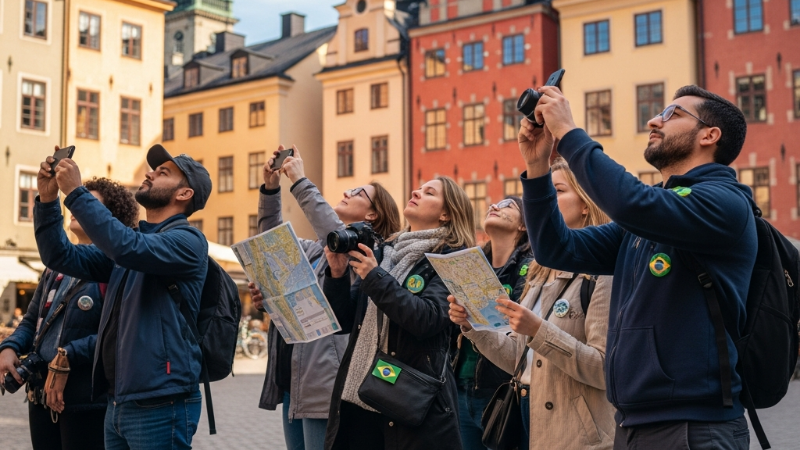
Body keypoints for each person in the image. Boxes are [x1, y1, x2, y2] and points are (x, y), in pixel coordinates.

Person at [518, 85, 755, 449]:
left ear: (710, 135)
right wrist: (536, 168)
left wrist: (567, 133)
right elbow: (555, 248)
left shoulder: (724, 202)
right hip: (632, 423)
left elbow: (630, 203)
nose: (653, 120)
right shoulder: (652, 215)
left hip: (693, 425)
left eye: (672, 115)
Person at [33, 144, 212, 449]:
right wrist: (49, 199)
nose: (149, 174)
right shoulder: (134, 244)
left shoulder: (188, 240)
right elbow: (59, 254)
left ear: (184, 194)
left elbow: (126, 247)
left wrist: (76, 193)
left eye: (163, 172)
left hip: (160, 400)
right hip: (118, 402)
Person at [449, 158, 616, 449]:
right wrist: (472, 326)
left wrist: (539, 331)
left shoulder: (603, 271)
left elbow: (604, 370)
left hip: (575, 430)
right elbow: (517, 357)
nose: (544, 201)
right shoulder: (539, 271)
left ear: (586, 204)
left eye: (558, 191)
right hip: (528, 415)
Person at [250, 145, 401, 450]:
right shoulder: (316, 250)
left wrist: (300, 181)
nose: (347, 191)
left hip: (326, 382)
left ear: (372, 214)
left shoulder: (369, 252)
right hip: (295, 380)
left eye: (358, 192)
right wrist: (270, 188)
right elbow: (271, 241)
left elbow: (333, 231)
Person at [322, 176, 475, 450]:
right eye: (418, 188)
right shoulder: (385, 253)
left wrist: (374, 276)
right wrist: (336, 274)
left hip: (408, 404)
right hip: (358, 397)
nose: (416, 191)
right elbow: (343, 321)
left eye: (429, 193)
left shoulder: (454, 260)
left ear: (446, 213)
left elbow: (426, 319)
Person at [0, 177, 138, 450]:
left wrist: (68, 354)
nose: (73, 206)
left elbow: (118, 332)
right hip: (40, 394)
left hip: (85, 396)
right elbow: (33, 321)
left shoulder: (118, 265)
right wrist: (10, 346)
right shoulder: (56, 266)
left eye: (87, 201)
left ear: (106, 217)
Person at [451, 195, 532, 450]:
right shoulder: (472, 265)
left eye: (507, 205)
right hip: (463, 386)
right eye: (493, 204)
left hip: (500, 390)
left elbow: (518, 328)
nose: (494, 206)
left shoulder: (528, 267)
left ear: (523, 225)